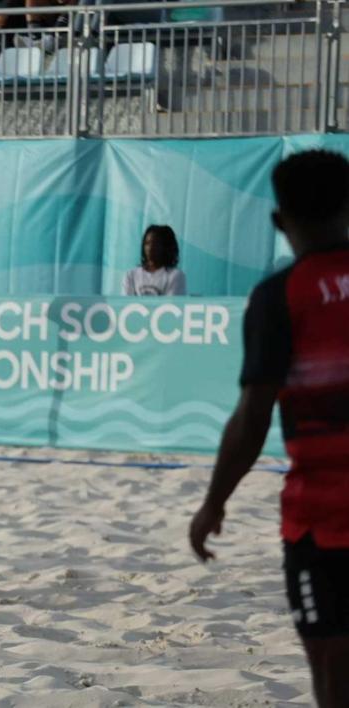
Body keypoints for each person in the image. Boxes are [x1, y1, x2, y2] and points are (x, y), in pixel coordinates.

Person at [189, 149, 349, 708]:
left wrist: (213, 504)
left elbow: (254, 416)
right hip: (321, 519)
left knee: (333, 681)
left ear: (280, 221)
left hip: (321, 519)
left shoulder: (280, 296)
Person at [121, 225, 187, 296]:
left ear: (165, 246)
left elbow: (171, 305)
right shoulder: (131, 275)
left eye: (155, 244)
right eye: (147, 243)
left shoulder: (175, 276)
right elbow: (126, 304)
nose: (150, 247)